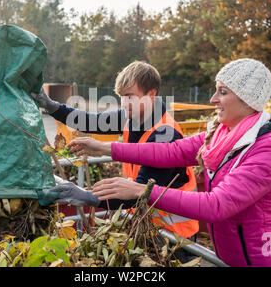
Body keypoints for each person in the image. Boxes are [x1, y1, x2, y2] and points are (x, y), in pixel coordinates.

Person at [68, 58, 271, 267]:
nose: (213, 99)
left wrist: (141, 191)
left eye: (223, 92)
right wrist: (104, 147)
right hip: (232, 258)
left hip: (266, 261)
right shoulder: (222, 133)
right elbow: (172, 151)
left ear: (247, 100)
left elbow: (216, 205)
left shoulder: (268, 147)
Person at [33, 61, 199, 260]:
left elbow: (140, 191)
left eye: (130, 96)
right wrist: (52, 106)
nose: (124, 103)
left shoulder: (165, 134)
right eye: (121, 96)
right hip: (144, 224)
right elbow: (90, 120)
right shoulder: (132, 117)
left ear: (151, 94)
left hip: (175, 237)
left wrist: (87, 196)